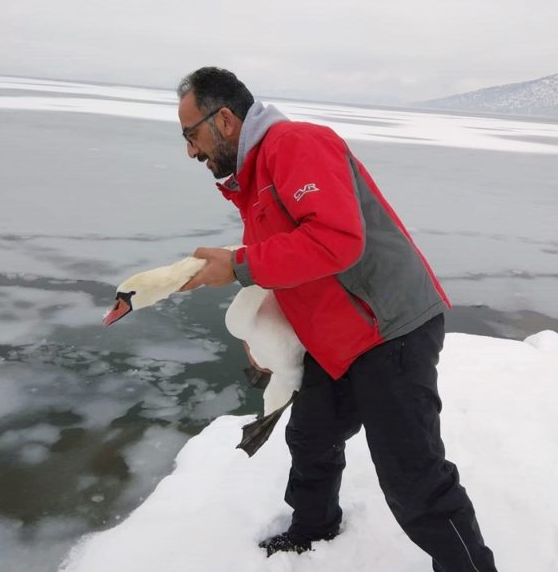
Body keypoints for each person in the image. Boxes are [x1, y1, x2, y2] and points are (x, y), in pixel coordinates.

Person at [177, 66, 497, 572]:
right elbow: (296, 263)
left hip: (390, 329)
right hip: (342, 338)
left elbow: (336, 241)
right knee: (311, 433)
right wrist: (264, 326)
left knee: (413, 478)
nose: (191, 150)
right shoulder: (254, 178)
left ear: (225, 120)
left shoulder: (296, 145)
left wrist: (237, 265)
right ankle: (315, 526)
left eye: (190, 134)